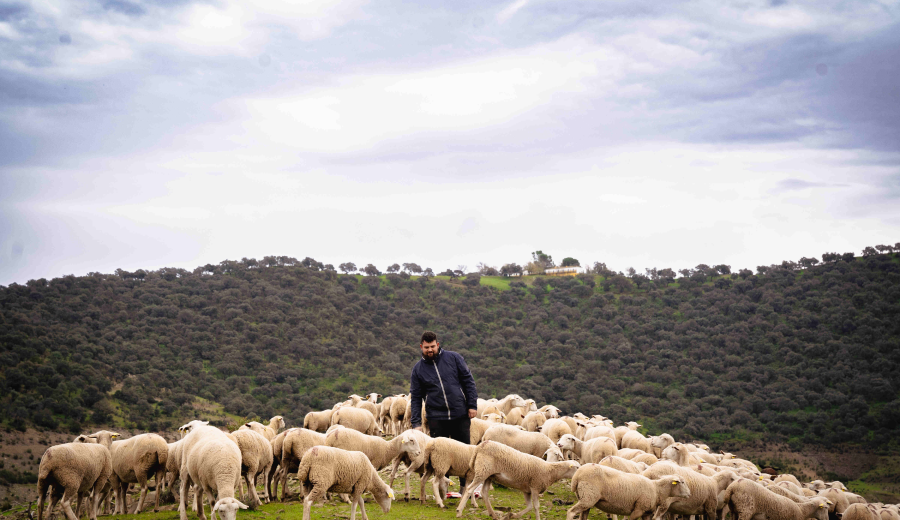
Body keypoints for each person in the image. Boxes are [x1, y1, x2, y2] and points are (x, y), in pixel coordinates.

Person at [409, 330, 478, 496]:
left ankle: (466, 488)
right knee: (440, 455)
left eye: (432, 346)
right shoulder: (418, 369)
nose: (430, 350)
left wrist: (472, 405)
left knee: (465, 452)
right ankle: (443, 490)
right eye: (426, 347)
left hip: (459, 414)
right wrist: (416, 424)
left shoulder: (453, 358)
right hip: (436, 417)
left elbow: (468, 381)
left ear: (437, 344)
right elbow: (416, 397)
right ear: (421, 347)